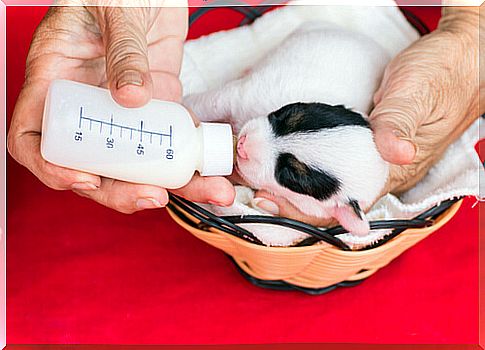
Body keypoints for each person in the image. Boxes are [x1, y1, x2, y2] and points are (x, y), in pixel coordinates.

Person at [7, 2, 482, 225]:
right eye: (282, 118)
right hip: (319, 44)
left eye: (285, 169)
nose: (252, 141)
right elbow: (216, 105)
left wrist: (473, 28)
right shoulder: (273, 97)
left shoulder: (346, 198)